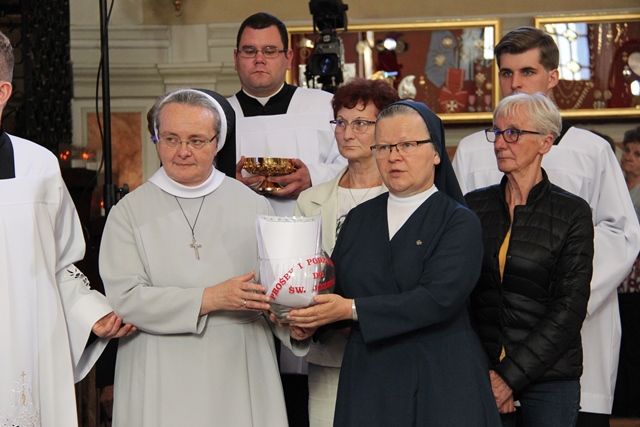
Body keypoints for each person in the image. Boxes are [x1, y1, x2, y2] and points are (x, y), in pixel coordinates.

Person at [451, 26, 640, 426]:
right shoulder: (472, 150)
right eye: (506, 73)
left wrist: (555, 297)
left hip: (571, 333)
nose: (515, 83)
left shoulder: (592, 150)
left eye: (527, 72)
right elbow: (458, 241)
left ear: (553, 77)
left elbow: (621, 234)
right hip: (491, 340)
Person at [98, 88, 309, 426]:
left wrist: (294, 326)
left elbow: (274, 292)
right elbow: (126, 300)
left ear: (217, 143)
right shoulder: (128, 212)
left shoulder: (254, 204)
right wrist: (210, 298)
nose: (183, 151)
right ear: (156, 140)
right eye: (171, 139)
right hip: (160, 366)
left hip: (239, 365)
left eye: (196, 140)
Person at [286, 100, 501, 427]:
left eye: (407, 145)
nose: (394, 156)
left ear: (436, 152)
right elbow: (335, 289)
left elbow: (437, 299)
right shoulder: (358, 219)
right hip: (369, 378)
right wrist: (310, 322)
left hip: (440, 378)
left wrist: (350, 309)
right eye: (384, 147)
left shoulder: (459, 221)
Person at [0, 30, 134, 426]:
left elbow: (58, 264)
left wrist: (91, 313)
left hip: (20, 350)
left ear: (2, 92)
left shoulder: (36, 169)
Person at [228, 13, 346, 423]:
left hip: (311, 251)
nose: (259, 59)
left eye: (269, 50)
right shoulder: (219, 114)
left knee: (304, 374)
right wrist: (229, 182)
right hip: (241, 251)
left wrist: (312, 176)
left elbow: (355, 164)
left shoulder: (322, 106)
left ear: (288, 57)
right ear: (236, 57)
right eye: (250, 51)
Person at [465, 93, 594, 426]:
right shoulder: (472, 207)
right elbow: (461, 298)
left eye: (513, 133)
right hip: (482, 372)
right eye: (496, 132)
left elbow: (569, 309)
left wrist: (508, 378)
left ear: (545, 142)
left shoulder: (572, 212)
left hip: (550, 377)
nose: (499, 143)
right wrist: (487, 372)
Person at [294, 78, 400, 427]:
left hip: (390, 350)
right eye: (340, 122)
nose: (347, 133)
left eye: (360, 123)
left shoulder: (402, 196)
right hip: (330, 355)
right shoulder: (311, 199)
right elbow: (299, 272)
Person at [613, 125, 640, 417]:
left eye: (637, 154)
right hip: (617, 281)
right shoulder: (617, 185)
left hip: (637, 282)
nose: (629, 157)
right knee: (620, 347)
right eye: (627, 151)